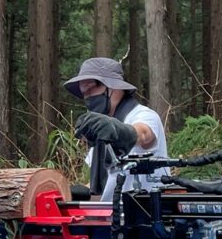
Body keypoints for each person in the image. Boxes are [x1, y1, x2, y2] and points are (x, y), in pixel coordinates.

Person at [64, 57, 169, 201]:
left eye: (91, 88)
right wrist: (75, 194)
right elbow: (104, 185)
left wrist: (114, 130)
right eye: (84, 92)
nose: (87, 96)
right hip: (110, 217)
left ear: (114, 87)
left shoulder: (144, 115)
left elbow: (143, 134)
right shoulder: (101, 130)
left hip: (145, 214)